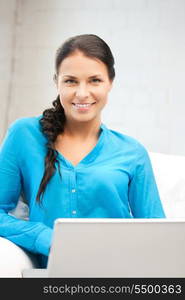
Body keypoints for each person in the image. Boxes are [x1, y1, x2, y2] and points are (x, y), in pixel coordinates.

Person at [0, 34, 165, 268]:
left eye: (95, 80)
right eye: (71, 81)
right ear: (56, 81)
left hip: (120, 276)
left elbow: (157, 233)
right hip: (54, 280)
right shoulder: (23, 135)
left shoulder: (133, 152)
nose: (82, 93)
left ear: (110, 82)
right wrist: (43, 237)